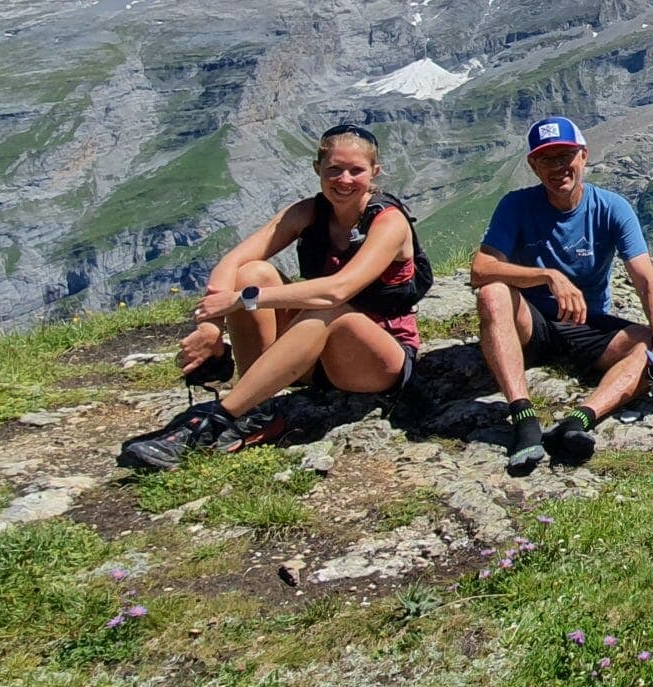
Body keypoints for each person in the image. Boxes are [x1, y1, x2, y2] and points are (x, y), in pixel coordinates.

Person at [118, 123, 428, 471]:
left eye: (356, 171)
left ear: (374, 172)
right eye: (334, 169)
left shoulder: (388, 221)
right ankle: (256, 409)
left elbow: (338, 290)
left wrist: (244, 300)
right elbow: (234, 261)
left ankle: (213, 422)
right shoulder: (309, 212)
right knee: (251, 273)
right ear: (317, 170)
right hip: (314, 354)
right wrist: (210, 328)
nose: (344, 180)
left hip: (377, 359)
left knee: (329, 310)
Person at [469, 115, 653, 472]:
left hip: (588, 323)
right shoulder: (516, 205)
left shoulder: (612, 208)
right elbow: (481, 269)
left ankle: (576, 423)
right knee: (492, 294)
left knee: (647, 350)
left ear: (583, 156)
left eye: (565, 156)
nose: (558, 168)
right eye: (547, 159)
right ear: (533, 165)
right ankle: (524, 419)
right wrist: (547, 275)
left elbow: (645, 278)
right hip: (531, 322)